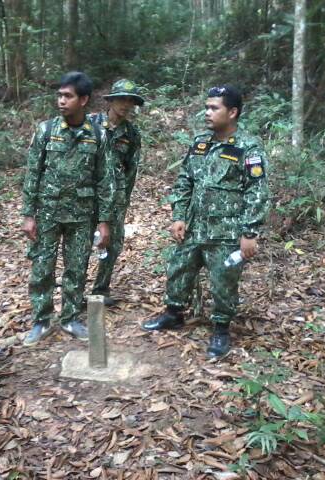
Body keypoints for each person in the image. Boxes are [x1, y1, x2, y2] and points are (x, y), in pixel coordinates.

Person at [141, 85, 270, 358]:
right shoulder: (201, 143)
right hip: (194, 227)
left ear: (232, 112)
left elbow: (257, 192)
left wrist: (250, 232)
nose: (207, 112)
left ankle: (221, 329)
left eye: (214, 108)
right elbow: (185, 180)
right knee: (179, 269)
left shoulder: (248, 147)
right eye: (207, 107)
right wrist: (178, 215)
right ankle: (174, 313)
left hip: (225, 231)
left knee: (223, 280)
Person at [21, 71, 115, 345]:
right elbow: (33, 173)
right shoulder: (46, 130)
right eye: (59, 95)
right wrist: (28, 215)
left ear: (83, 100)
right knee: (42, 268)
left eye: (68, 96)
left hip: (82, 215)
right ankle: (42, 319)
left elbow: (105, 179)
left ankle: (70, 317)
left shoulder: (97, 135)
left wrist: (104, 221)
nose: (61, 101)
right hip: (48, 212)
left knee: (76, 268)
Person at [88, 79, 143, 305]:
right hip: (87, 194)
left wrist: (123, 199)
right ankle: (74, 294)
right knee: (81, 243)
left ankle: (101, 290)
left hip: (116, 197)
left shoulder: (131, 134)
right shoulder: (90, 124)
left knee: (113, 243)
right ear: (111, 101)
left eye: (130, 101)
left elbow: (131, 170)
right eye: (121, 99)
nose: (126, 105)